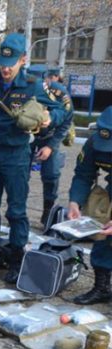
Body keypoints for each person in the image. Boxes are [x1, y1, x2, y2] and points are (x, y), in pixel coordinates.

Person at [0, 33, 64, 283]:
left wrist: (49, 119)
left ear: (23, 60)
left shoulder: (33, 84)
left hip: (16, 154)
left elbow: (61, 111)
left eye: (11, 64)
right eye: (2, 63)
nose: (5, 69)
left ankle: (17, 260)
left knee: (17, 210)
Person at [67, 106, 112, 305]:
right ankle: (102, 288)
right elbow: (83, 175)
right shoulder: (95, 142)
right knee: (103, 234)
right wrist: (75, 202)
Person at [28, 66, 75, 225]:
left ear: (47, 79)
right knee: (20, 174)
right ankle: (17, 210)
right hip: (26, 137)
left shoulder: (59, 92)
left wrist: (50, 146)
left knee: (51, 175)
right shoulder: (21, 89)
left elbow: (67, 120)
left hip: (49, 137)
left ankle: (48, 211)